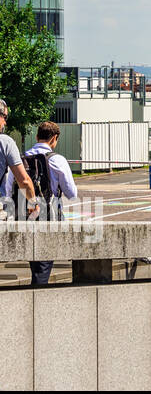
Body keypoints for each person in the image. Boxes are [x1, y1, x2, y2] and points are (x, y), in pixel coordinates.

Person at [1, 121, 77, 285]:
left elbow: (8, 190)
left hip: (25, 214)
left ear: (37, 136)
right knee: (44, 262)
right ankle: (35, 300)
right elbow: (72, 193)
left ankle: (35, 295)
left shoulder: (21, 159)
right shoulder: (58, 160)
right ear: (54, 138)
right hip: (47, 215)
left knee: (35, 262)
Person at [0, 98, 38, 221]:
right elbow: (23, 180)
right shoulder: (5, 142)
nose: (5, 122)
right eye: (5, 117)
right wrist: (33, 202)